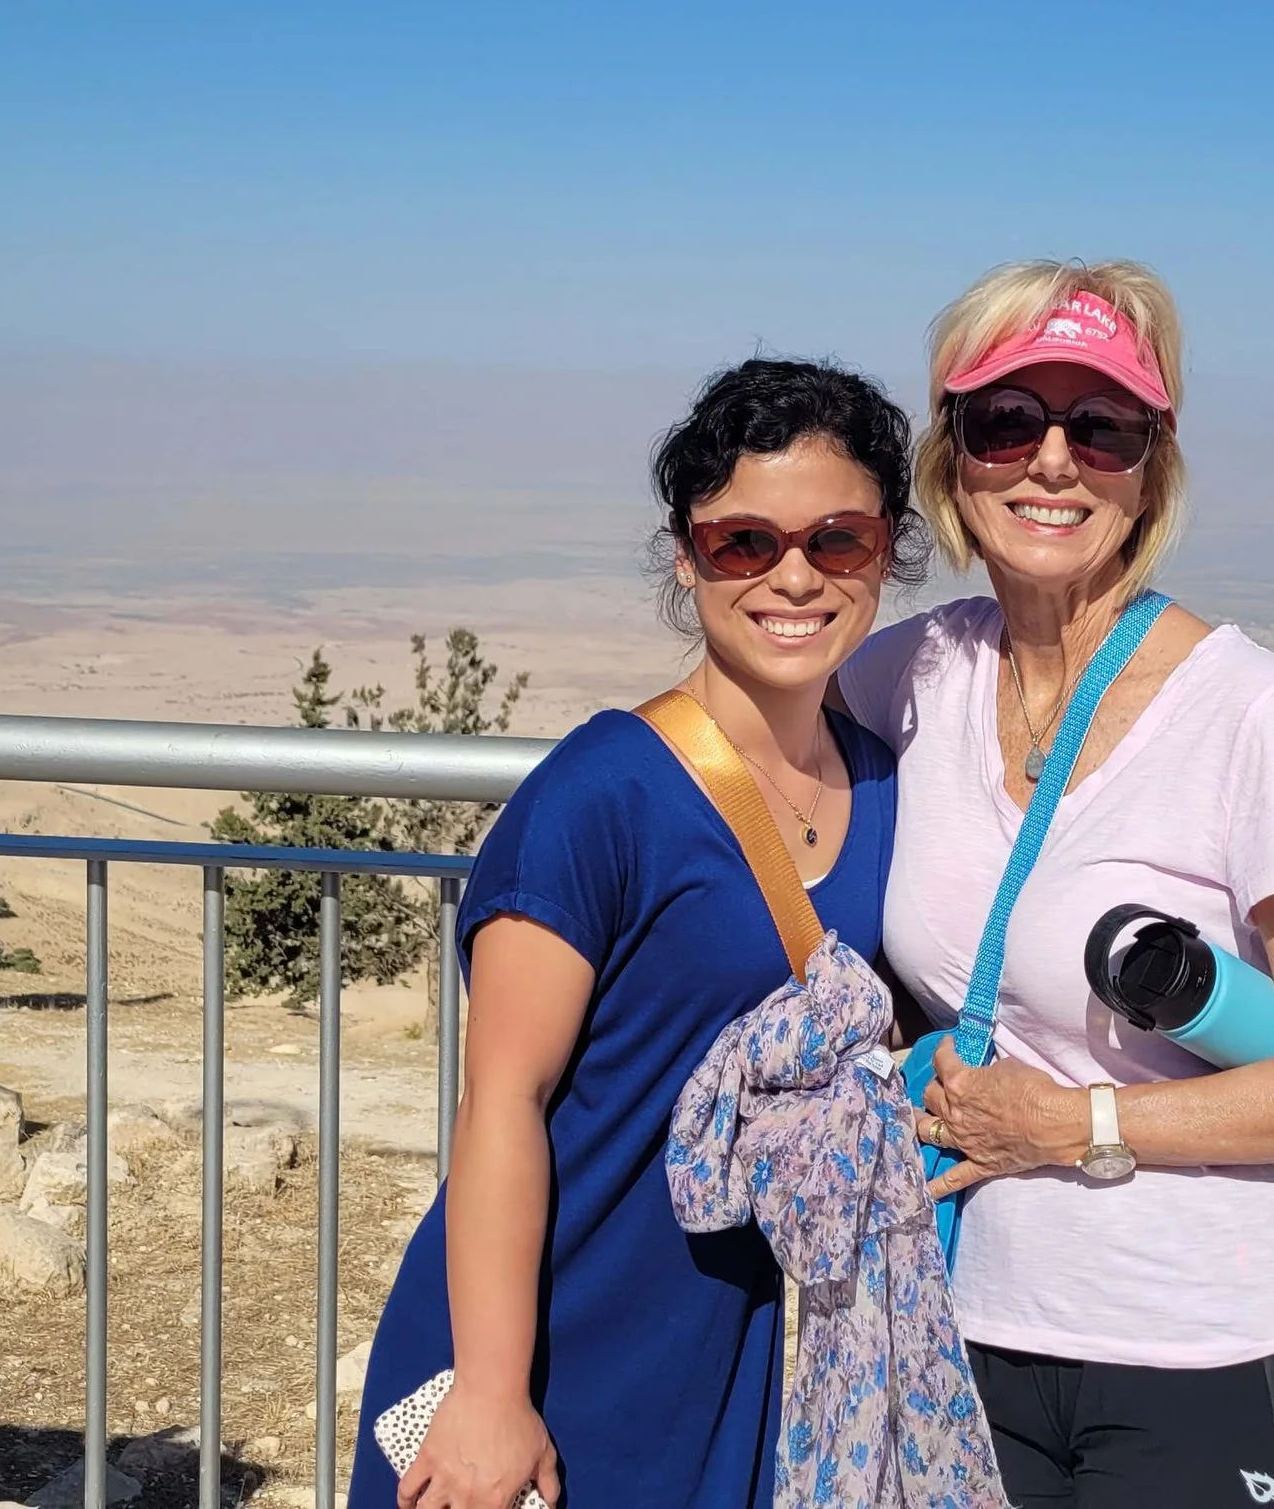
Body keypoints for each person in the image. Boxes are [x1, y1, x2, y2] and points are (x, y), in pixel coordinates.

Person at [836, 261, 1274, 1509]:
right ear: (951, 457)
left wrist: (1076, 1126)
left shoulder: (1250, 711)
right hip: (978, 1337)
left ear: (1149, 469)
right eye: (1006, 420)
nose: (1052, 461)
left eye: (1099, 427)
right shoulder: (908, 676)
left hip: (1225, 1347)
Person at [352, 358, 931, 1509]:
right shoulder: (601, 795)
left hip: (730, 1356)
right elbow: (504, 1100)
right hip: (548, 1353)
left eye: (838, 539)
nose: (794, 575)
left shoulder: (882, 783)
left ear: (886, 550)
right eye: (743, 543)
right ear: (686, 555)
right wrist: (490, 1392)